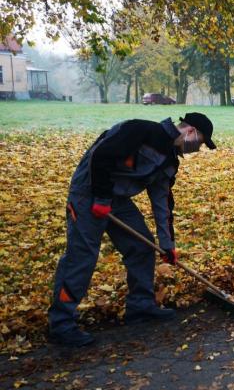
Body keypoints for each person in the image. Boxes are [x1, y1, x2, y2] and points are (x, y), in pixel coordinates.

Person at [48, 113, 217, 346]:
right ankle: (61, 322)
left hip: (116, 201)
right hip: (88, 193)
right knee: (82, 257)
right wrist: (100, 197)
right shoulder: (140, 131)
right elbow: (101, 155)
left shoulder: (169, 162)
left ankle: (140, 306)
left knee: (141, 247)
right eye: (200, 143)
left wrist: (168, 245)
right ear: (190, 132)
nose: (197, 150)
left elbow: (162, 204)